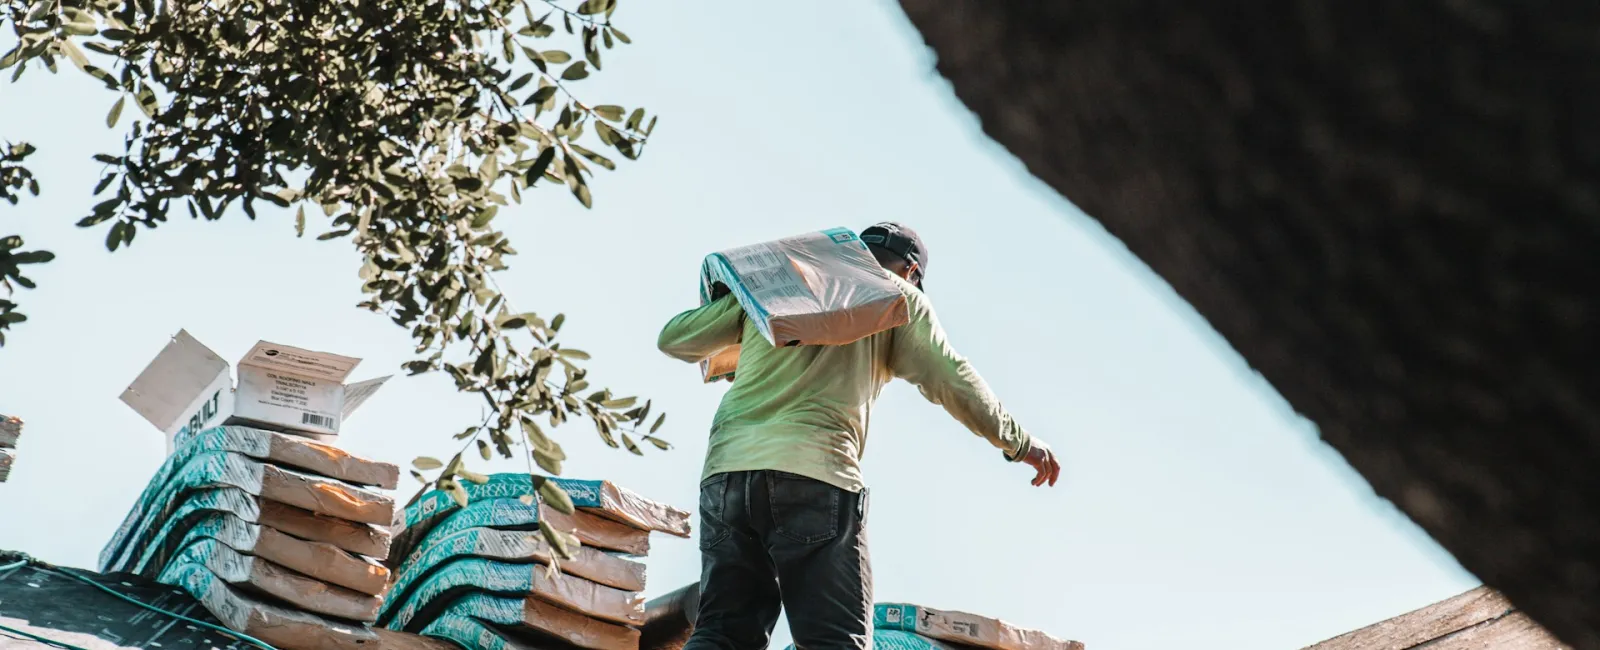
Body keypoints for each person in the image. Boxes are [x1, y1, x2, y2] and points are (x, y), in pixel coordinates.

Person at [657, 222, 1062, 650]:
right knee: (836, 641)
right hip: (814, 478)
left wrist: (743, 307)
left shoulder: (783, 287)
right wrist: (1020, 444)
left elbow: (674, 339)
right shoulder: (897, 298)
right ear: (910, 272)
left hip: (726, 479)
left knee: (721, 633)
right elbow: (953, 380)